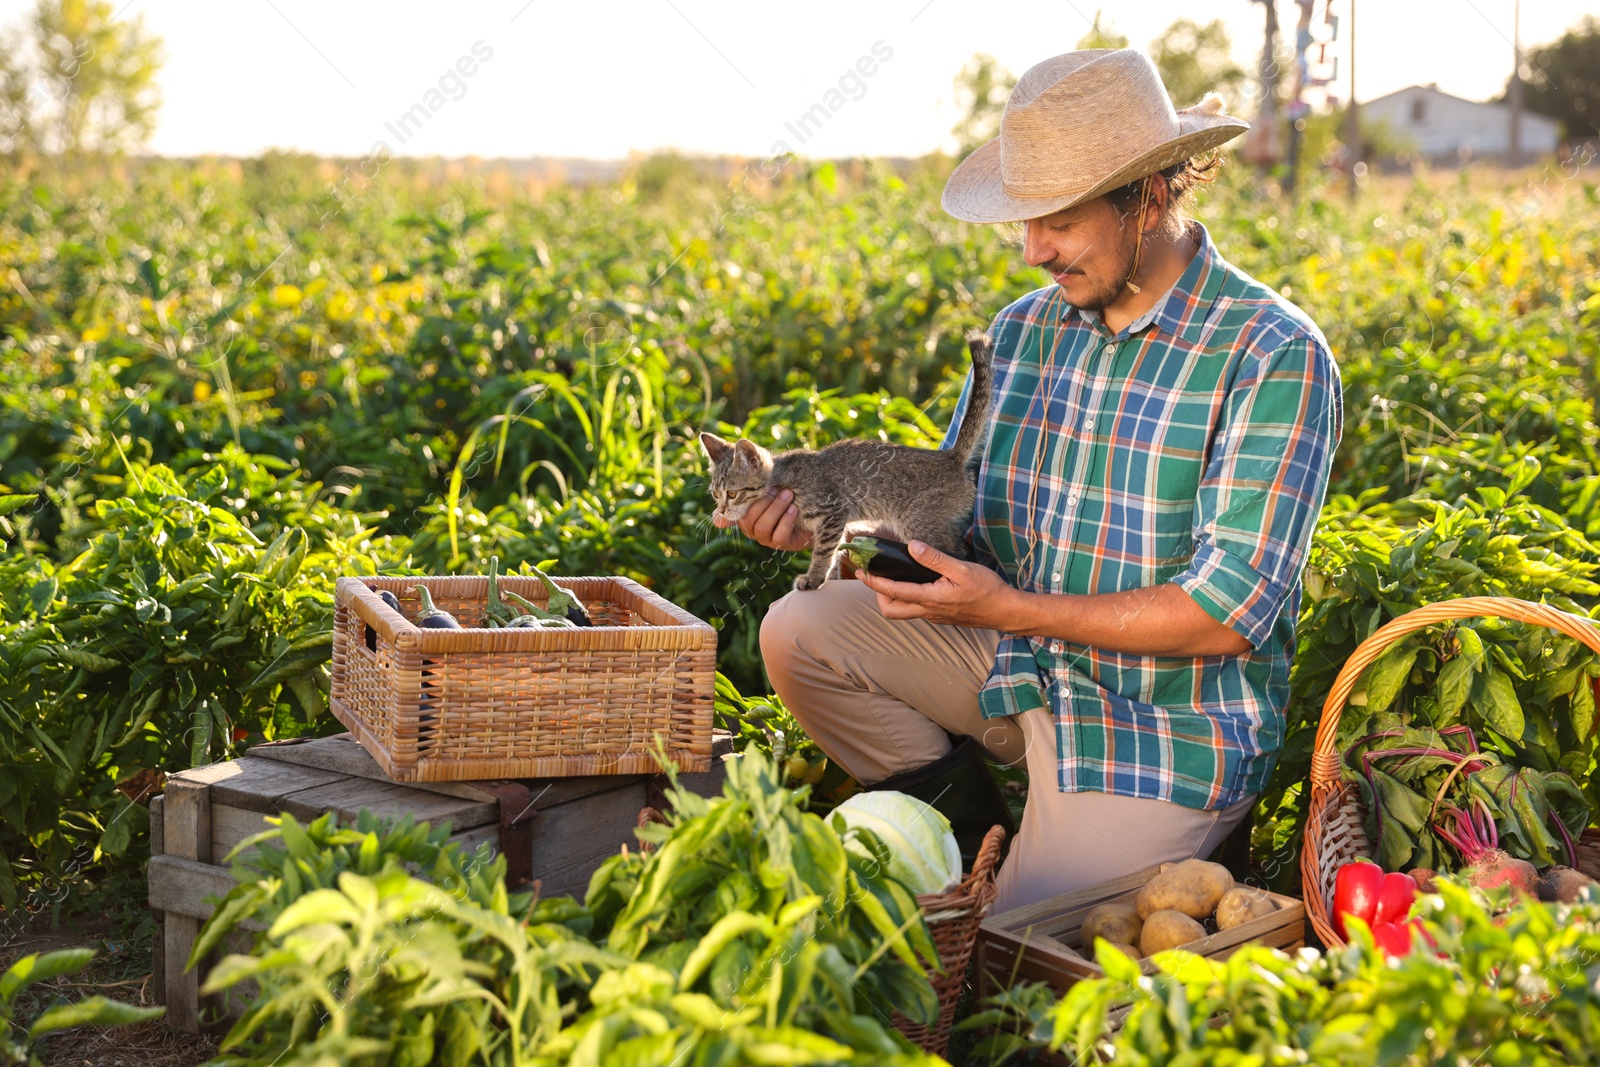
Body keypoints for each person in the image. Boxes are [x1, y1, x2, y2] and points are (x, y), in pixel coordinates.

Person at [718, 48, 1343, 911]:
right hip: (1017, 664)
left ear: (1149, 196)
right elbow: (951, 523)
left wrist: (1007, 609)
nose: (1030, 251)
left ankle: (1101, 855)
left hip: (1159, 727)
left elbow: (1228, 614)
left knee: (1016, 969)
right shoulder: (1022, 332)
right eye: (1024, 221)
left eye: (1056, 220)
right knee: (801, 629)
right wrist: (845, 528)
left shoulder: (1271, 353)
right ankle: (974, 845)